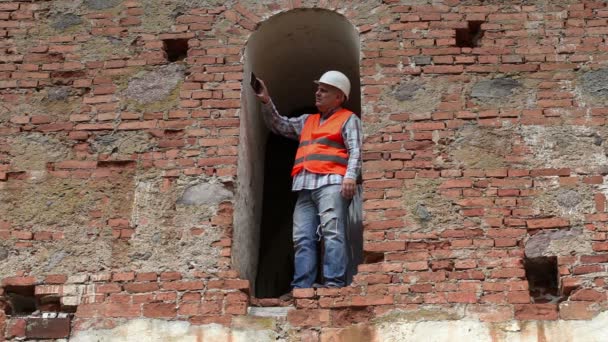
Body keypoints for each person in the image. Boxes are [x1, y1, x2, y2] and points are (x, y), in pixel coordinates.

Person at [254, 70, 362, 289]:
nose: (318, 93)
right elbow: (279, 125)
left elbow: (356, 150)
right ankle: (302, 287)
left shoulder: (348, 119)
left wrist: (350, 176)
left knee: (333, 233)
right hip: (305, 186)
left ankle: (333, 285)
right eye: (318, 89)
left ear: (339, 97)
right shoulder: (308, 121)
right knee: (302, 237)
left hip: (331, 183)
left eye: (324, 90)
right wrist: (266, 100)